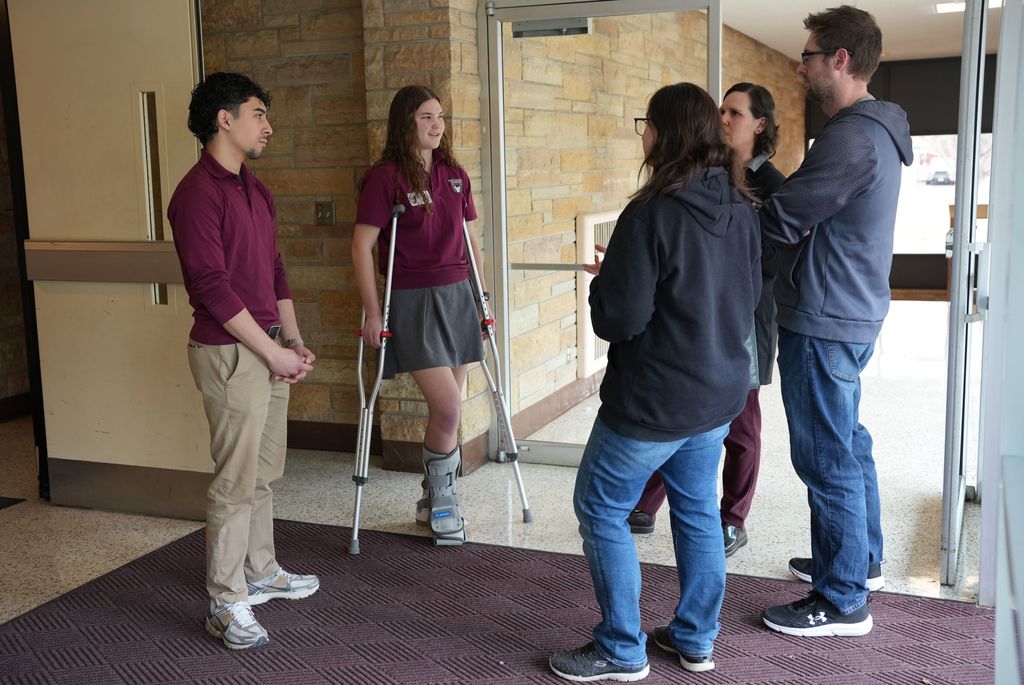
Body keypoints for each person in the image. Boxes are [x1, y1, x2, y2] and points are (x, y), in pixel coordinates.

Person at [548, 83, 761, 681]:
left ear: (665, 133)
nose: (641, 134)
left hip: (653, 402)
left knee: (599, 506)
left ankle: (621, 647)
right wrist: (622, 272)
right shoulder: (741, 207)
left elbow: (620, 318)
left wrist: (605, 280)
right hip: (718, 395)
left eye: (646, 123)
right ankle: (696, 639)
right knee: (696, 513)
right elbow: (740, 299)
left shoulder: (651, 212)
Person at [758, 5, 912, 637]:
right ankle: (859, 561)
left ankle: (843, 597)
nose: (802, 67)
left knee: (826, 456)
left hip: (825, 316)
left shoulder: (850, 136)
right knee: (848, 440)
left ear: (840, 61)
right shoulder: (878, 130)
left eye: (810, 56)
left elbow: (784, 216)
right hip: (848, 309)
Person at [168, 72, 320, 651]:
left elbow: (274, 271)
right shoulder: (196, 194)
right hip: (230, 353)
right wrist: (270, 349)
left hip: (266, 347)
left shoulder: (255, 190)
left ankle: (260, 572)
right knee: (234, 484)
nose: (268, 125)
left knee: (265, 474)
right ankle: (225, 601)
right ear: (224, 120)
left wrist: (294, 341)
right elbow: (211, 287)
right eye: (258, 113)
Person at [627, 82, 787, 560]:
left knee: (740, 424)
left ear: (760, 125)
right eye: (721, 110)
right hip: (700, 316)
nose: (724, 119)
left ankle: (733, 518)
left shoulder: (772, 187)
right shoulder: (706, 175)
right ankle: (647, 502)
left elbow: (771, 260)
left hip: (745, 318)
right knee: (687, 415)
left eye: (735, 113)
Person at [351, 85, 484, 547]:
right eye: (427, 116)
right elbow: (362, 247)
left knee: (451, 410)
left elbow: (471, 241)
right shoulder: (385, 178)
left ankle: (432, 495)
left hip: (458, 295)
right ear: (406, 121)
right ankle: (444, 497)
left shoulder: (454, 175)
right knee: (447, 407)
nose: (437, 125)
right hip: (412, 298)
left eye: (440, 117)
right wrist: (373, 311)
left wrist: (481, 298)